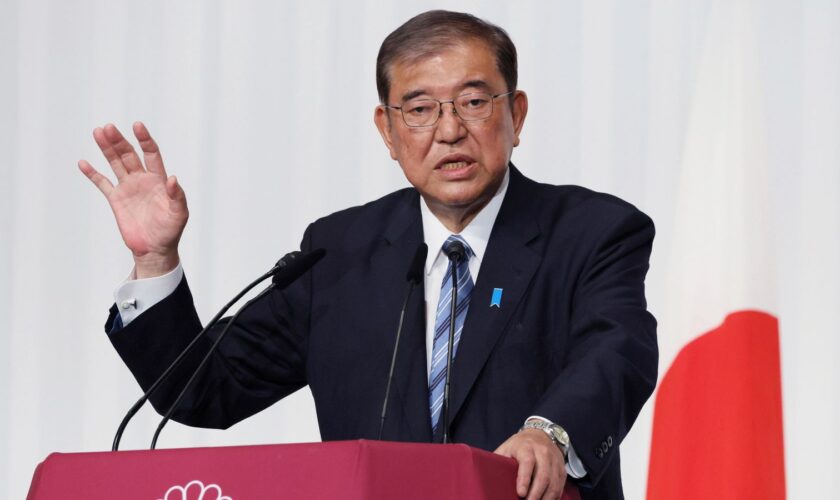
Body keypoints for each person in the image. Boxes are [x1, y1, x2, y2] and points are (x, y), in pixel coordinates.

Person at [79, 10, 657, 500]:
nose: (450, 130)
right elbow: (205, 389)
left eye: (474, 101)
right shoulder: (339, 253)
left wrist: (550, 433)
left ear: (517, 115)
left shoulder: (592, 232)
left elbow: (617, 352)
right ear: (388, 130)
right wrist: (156, 259)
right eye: (421, 109)